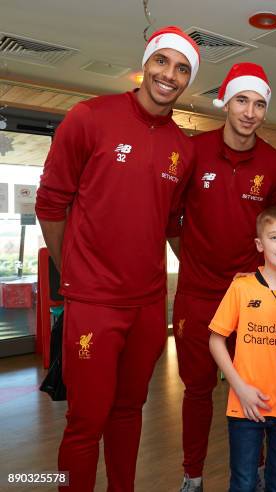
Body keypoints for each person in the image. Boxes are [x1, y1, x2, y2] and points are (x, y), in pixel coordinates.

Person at [34, 26, 199, 491]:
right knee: (86, 422)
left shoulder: (182, 149)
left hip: (147, 306)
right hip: (93, 303)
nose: (169, 74)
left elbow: (169, 224)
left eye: (182, 68)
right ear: (145, 63)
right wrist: (75, 276)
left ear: (188, 80)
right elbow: (50, 205)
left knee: (129, 413)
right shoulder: (89, 117)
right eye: (162, 61)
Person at [166, 62, 276, 492]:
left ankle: (254, 473)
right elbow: (170, 220)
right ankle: (192, 475)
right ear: (226, 102)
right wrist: (195, 262)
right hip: (198, 296)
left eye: (259, 104)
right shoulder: (192, 151)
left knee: (252, 392)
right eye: (242, 100)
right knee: (197, 391)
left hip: (252, 297)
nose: (251, 112)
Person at [208, 206, 276, 492]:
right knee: (243, 482)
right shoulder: (241, 287)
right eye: (275, 237)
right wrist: (240, 388)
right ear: (260, 245)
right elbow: (216, 341)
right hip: (244, 405)